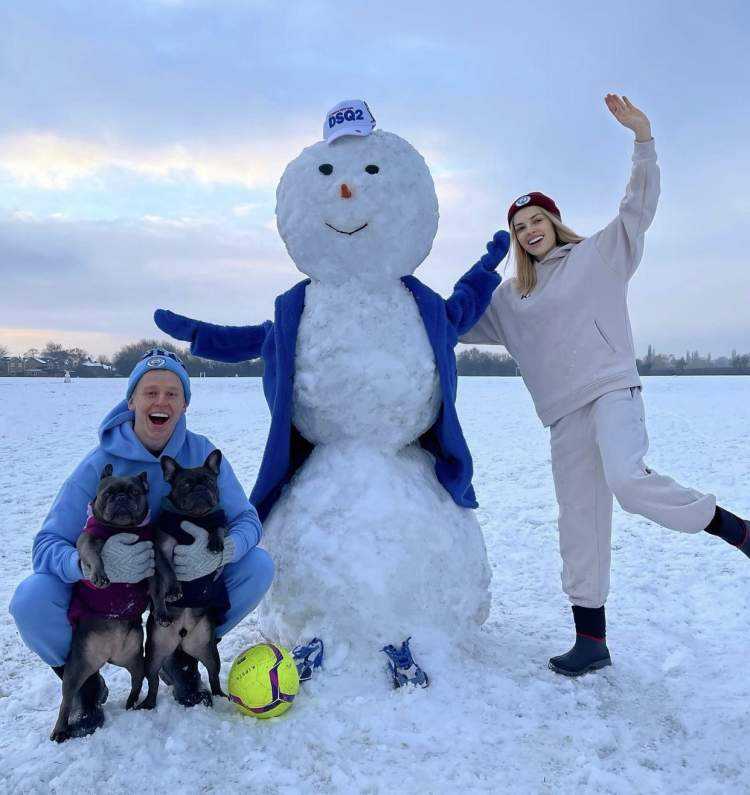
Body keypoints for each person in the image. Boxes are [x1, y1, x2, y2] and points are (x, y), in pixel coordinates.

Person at [462, 94, 749, 677]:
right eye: (519, 227)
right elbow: (456, 319)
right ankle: (591, 640)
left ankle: (733, 528)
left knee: (626, 478)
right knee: (579, 522)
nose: (529, 230)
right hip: (562, 417)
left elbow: (638, 206)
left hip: (611, 390)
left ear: (553, 220)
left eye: (536, 219)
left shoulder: (600, 254)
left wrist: (643, 139)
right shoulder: (510, 299)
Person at [9, 348, 274, 732]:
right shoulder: (98, 463)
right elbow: (46, 544)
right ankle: (81, 681)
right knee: (30, 598)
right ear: (131, 399)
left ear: (185, 403)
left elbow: (247, 520)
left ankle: (181, 654)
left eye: (172, 393)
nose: (160, 401)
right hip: (105, 592)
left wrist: (223, 552)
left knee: (258, 566)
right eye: (150, 392)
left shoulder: (200, 452)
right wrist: (89, 564)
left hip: (180, 587)